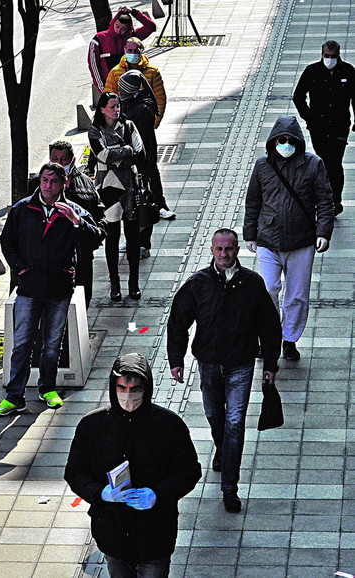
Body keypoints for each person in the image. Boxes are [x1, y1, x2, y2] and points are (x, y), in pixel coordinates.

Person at [167, 229, 282, 513]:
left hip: (240, 364)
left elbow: (270, 326)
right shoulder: (199, 283)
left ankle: (230, 487)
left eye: (229, 249)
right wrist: (176, 359)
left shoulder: (252, 284)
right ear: (212, 250)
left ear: (237, 249)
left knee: (234, 423)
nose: (224, 254)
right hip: (209, 363)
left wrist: (270, 364)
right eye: (219, 249)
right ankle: (223, 449)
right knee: (214, 415)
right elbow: (178, 321)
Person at [65, 352, 201, 578]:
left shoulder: (169, 426)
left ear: (146, 389)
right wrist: (101, 494)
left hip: (155, 534)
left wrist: (157, 494)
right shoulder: (92, 426)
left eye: (135, 389)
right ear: (113, 388)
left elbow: (189, 471)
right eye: (122, 388)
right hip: (112, 533)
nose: (128, 396)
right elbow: (75, 472)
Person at [0, 162, 102, 416]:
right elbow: (7, 240)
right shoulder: (23, 209)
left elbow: (96, 238)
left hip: (59, 289)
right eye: (45, 180)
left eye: (54, 181)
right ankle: (14, 396)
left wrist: (77, 223)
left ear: (63, 184)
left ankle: (47, 388)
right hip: (29, 288)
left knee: (53, 344)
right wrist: (19, 267)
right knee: (21, 344)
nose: (48, 185)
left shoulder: (73, 211)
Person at [244, 115, 334, 361]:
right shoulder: (263, 166)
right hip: (268, 240)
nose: (285, 144)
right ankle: (267, 336)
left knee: (297, 295)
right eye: (280, 140)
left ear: (298, 142)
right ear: (273, 142)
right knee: (268, 289)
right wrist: (249, 234)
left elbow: (325, 201)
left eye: (289, 140)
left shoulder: (313, 165)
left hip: (301, 241)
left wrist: (323, 233)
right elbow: (253, 201)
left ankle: (289, 339)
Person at [28, 140, 107, 307]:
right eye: (54, 158)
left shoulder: (85, 183)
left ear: (73, 160)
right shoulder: (37, 185)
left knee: (80, 304)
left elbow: (100, 217)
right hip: (48, 263)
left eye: (63, 159)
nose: (59, 163)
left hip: (81, 258)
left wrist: (94, 236)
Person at [89, 91, 144, 301]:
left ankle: (134, 282)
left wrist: (117, 153)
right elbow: (101, 155)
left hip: (130, 185)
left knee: (132, 236)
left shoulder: (128, 126)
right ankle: (115, 283)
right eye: (112, 106)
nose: (116, 109)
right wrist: (125, 151)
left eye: (118, 106)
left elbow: (139, 151)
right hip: (108, 187)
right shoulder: (96, 131)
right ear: (102, 109)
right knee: (112, 236)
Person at [293, 40, 355, 216]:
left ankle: (336, 200)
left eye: (333, 56)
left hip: (339, 127)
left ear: (339, 55)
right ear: (322, 54)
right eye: (327, 56)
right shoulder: (312, 71)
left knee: (334, 163)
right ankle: (322, 198)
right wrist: (309, 117)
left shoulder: (348, 72)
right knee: (322, 162)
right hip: (318, 127)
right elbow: (298, 96)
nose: (330, 59)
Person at [119, 70, 171, 262]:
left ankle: (143, 244)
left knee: (143, 205)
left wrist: (143, 166)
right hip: (129, 165)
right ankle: (132, 240)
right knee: (130, 206)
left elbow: (142, 140)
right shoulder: (128, 105)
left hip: (141, 163)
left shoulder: (142, 110)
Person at [88, 7, 156, 94]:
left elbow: (151, 27)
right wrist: (104, 91)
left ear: (128, 29)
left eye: (123, 29)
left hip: (132, 88)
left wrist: (134, 12)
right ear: (113, 23)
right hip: (110, 89)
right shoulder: (99, 39)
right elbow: (94, 68)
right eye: (117, 26)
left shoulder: (132, 37)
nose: (119, 30)